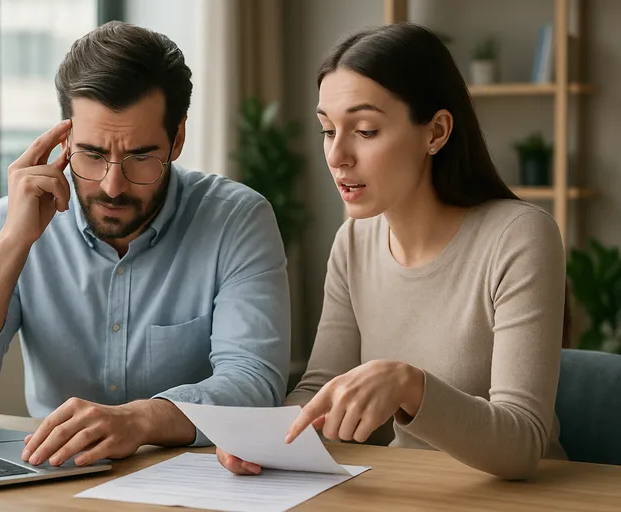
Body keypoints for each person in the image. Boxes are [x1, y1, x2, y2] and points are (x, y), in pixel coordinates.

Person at [0, 21, 290, 468]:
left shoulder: (236, 220)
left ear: (178, 138)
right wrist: (14, 241)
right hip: (57, 483)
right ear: (64, 139)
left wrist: (141, 419)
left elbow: (255, 383)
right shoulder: (11, 221)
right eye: (91, 154)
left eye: (140, 156)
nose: (112, 186)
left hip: (194, 485)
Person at [217, 22, 567, 480]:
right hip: (407, 491)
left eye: (364, 130)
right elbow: (320, 387)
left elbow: (522, 443)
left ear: (436, 132)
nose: (337, 155)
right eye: (327, 130)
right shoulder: (353, 241)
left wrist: (411, 386)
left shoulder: (520, 237)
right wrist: (261, 437)